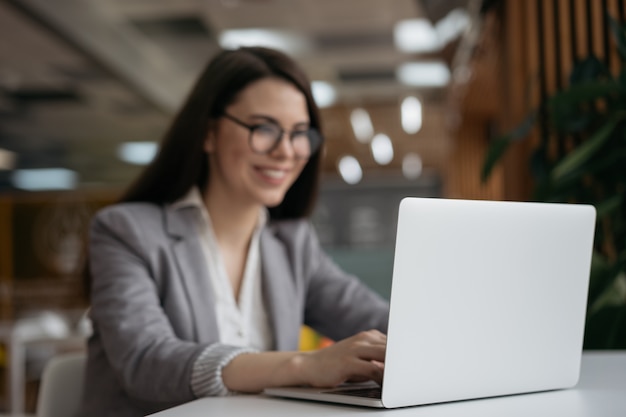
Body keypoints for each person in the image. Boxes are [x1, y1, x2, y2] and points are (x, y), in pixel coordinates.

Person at [79, 46, 389, 417]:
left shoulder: (292, 243)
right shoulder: (126, 231)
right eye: (265, 129)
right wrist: (303, 365)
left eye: (300, 133)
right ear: (208, 133)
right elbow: (145, 361)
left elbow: (370, 315)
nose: (286, 151)